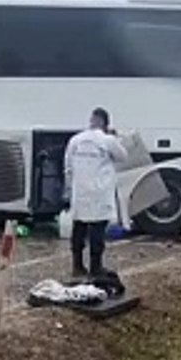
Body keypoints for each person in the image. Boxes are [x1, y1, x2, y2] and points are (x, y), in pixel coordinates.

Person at [64, 107, 127, 278]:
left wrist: (69, 189)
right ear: (106, 124)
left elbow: (68, 167)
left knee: (79, 228)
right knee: (97, 230)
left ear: (91, 121)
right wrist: (115, 137)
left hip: (80, 192)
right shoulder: (108, 140)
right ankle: (95, 267)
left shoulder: (75, 140)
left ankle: (77, 265)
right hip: (100, 193)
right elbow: (123, 156)